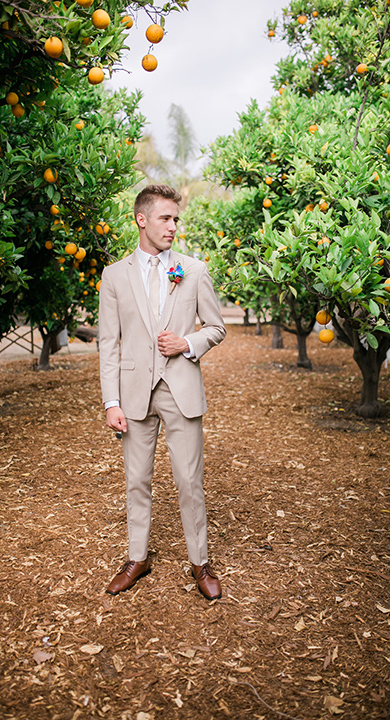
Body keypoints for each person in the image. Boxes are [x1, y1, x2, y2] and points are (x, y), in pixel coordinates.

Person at [98, 184, 226, 600]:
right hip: (133, 393)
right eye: (165, 218)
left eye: (176, 219)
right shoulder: (114, 275)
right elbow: (109, 343)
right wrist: (111, 401)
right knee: (137, 479)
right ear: (141, 219)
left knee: (190, 480)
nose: (173, 226)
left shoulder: (193, 270)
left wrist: (187, 343)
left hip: (180, 389)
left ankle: (200, 562)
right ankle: (138, 557)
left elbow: (216, 327)